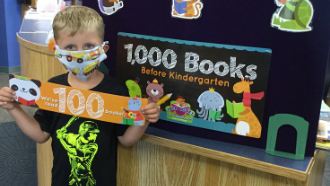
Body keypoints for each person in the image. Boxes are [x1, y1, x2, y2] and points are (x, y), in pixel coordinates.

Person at [0, 6, 160, 186]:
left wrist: (144, 119)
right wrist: (14, 108)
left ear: (103, 47)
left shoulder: (116, 90)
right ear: (57, 48)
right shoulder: (53, 88)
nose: (80, 54)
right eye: (70, 47)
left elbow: (126, 139)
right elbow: (40, 134)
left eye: (89, 46)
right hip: (62, 180)